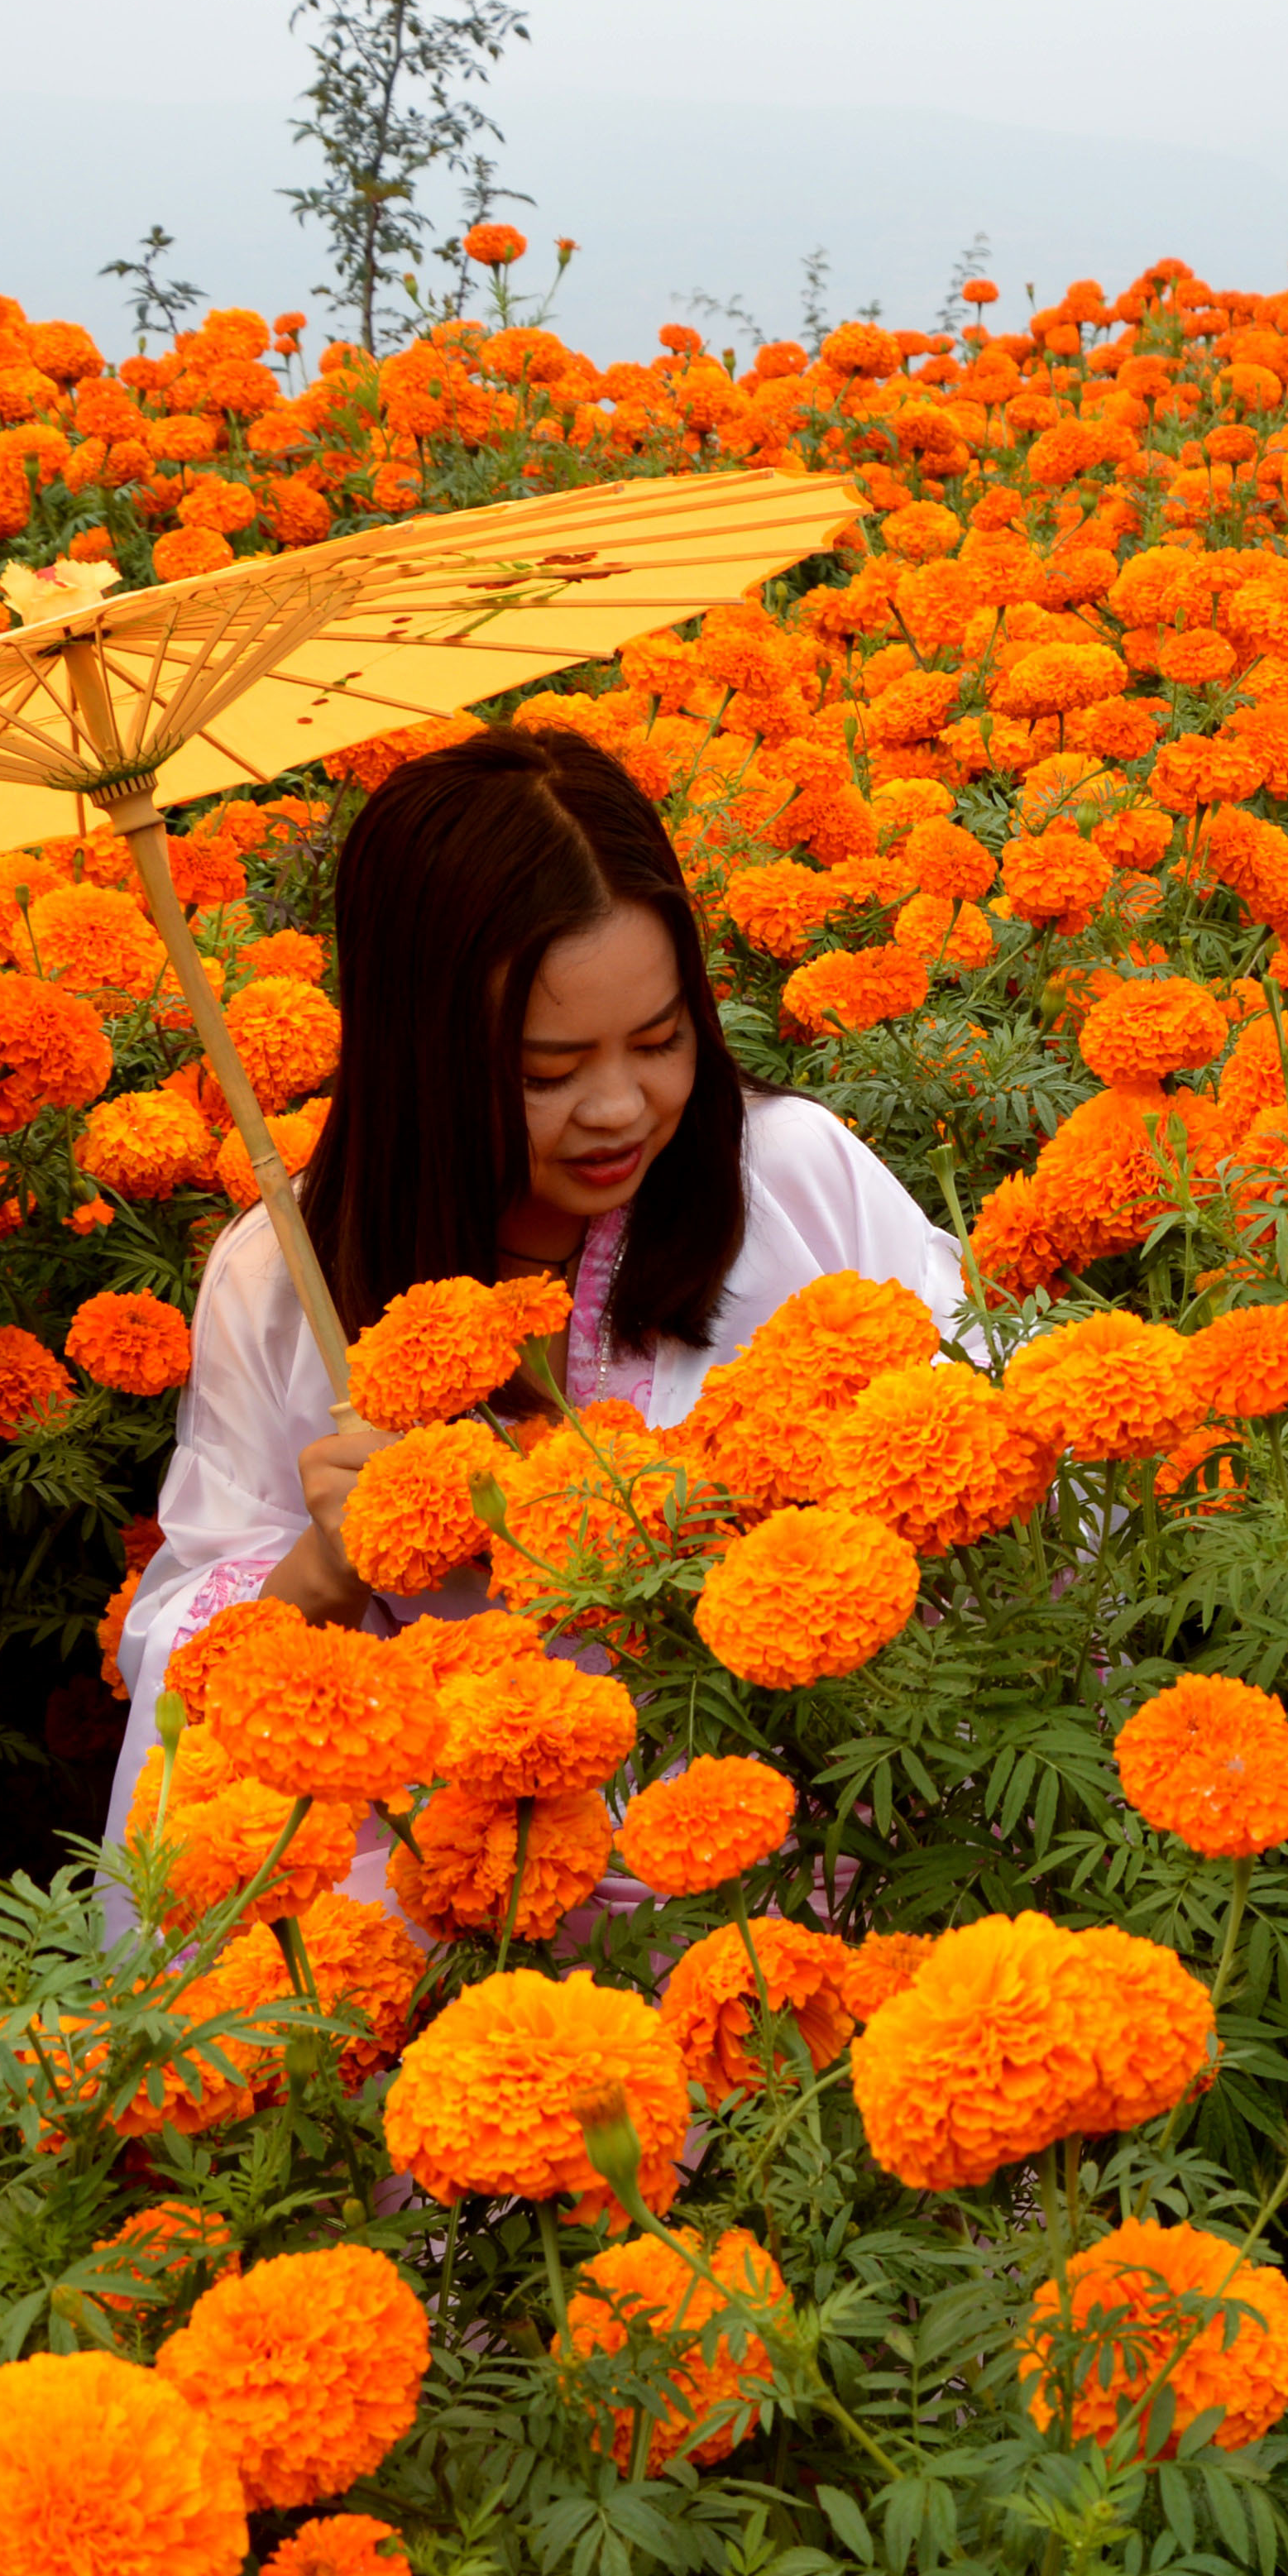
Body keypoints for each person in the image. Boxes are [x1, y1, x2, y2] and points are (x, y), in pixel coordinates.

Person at [102, 727, 967, 1859]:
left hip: (823, 1846)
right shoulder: (281, 1278)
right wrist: (326, 1565)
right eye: (545, 1073)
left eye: (658, 1042)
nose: (618, 1110)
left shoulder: (792, 1178)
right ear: (420, 1056)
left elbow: (991, 1486)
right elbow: (192, 1683)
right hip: (458, 1889)